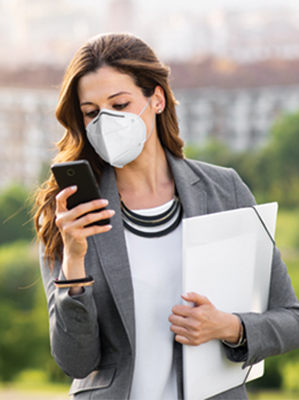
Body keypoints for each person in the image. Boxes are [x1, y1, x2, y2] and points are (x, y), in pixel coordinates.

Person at [34, 32, 299, 400]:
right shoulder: (71, 212)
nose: (105, 121)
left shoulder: (226, 190)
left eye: (120, 104)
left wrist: (230, 327)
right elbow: (76, 362)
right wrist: (74, 261)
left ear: (156, 99)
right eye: (92, 112)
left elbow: (291, 318)